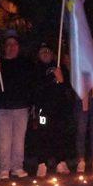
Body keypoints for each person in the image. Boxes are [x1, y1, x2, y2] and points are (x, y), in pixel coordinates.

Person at [0, 30, 31, 179]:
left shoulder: (25, 63)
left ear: (18, 46)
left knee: (18, 140)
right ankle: (4, 168)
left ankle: (17, 166)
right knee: (3, 139)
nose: (11, 47)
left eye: (14, 44)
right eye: (8, 44)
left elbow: (31, 84)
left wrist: (30, 103)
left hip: (21, 107)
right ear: (4, 47)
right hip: (1, 107)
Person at [32, 43, 71, 177]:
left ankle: (60, 161)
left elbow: (67, 87)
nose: (45, 53)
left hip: (59, 109)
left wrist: (61, 80)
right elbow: (36, 88)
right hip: (44, 109)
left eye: (47, 51)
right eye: (42, 52)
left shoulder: (60, 68)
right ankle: (42, 163)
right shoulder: (36, 69)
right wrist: (51, 80)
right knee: (43, 134)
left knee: (59, 134)